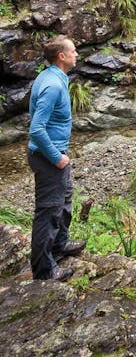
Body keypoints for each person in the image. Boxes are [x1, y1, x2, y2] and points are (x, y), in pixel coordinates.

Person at [28, 35, 86, 281]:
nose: (76, 55)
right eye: (73, 51)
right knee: (49, 212)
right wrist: (56, 157)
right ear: (61, 56)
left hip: (56, 153)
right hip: (48, 157)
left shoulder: (53, 76)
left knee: (64, 203)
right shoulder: (52, 85)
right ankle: (44, 271)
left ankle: (59, 246)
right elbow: (36, 129)